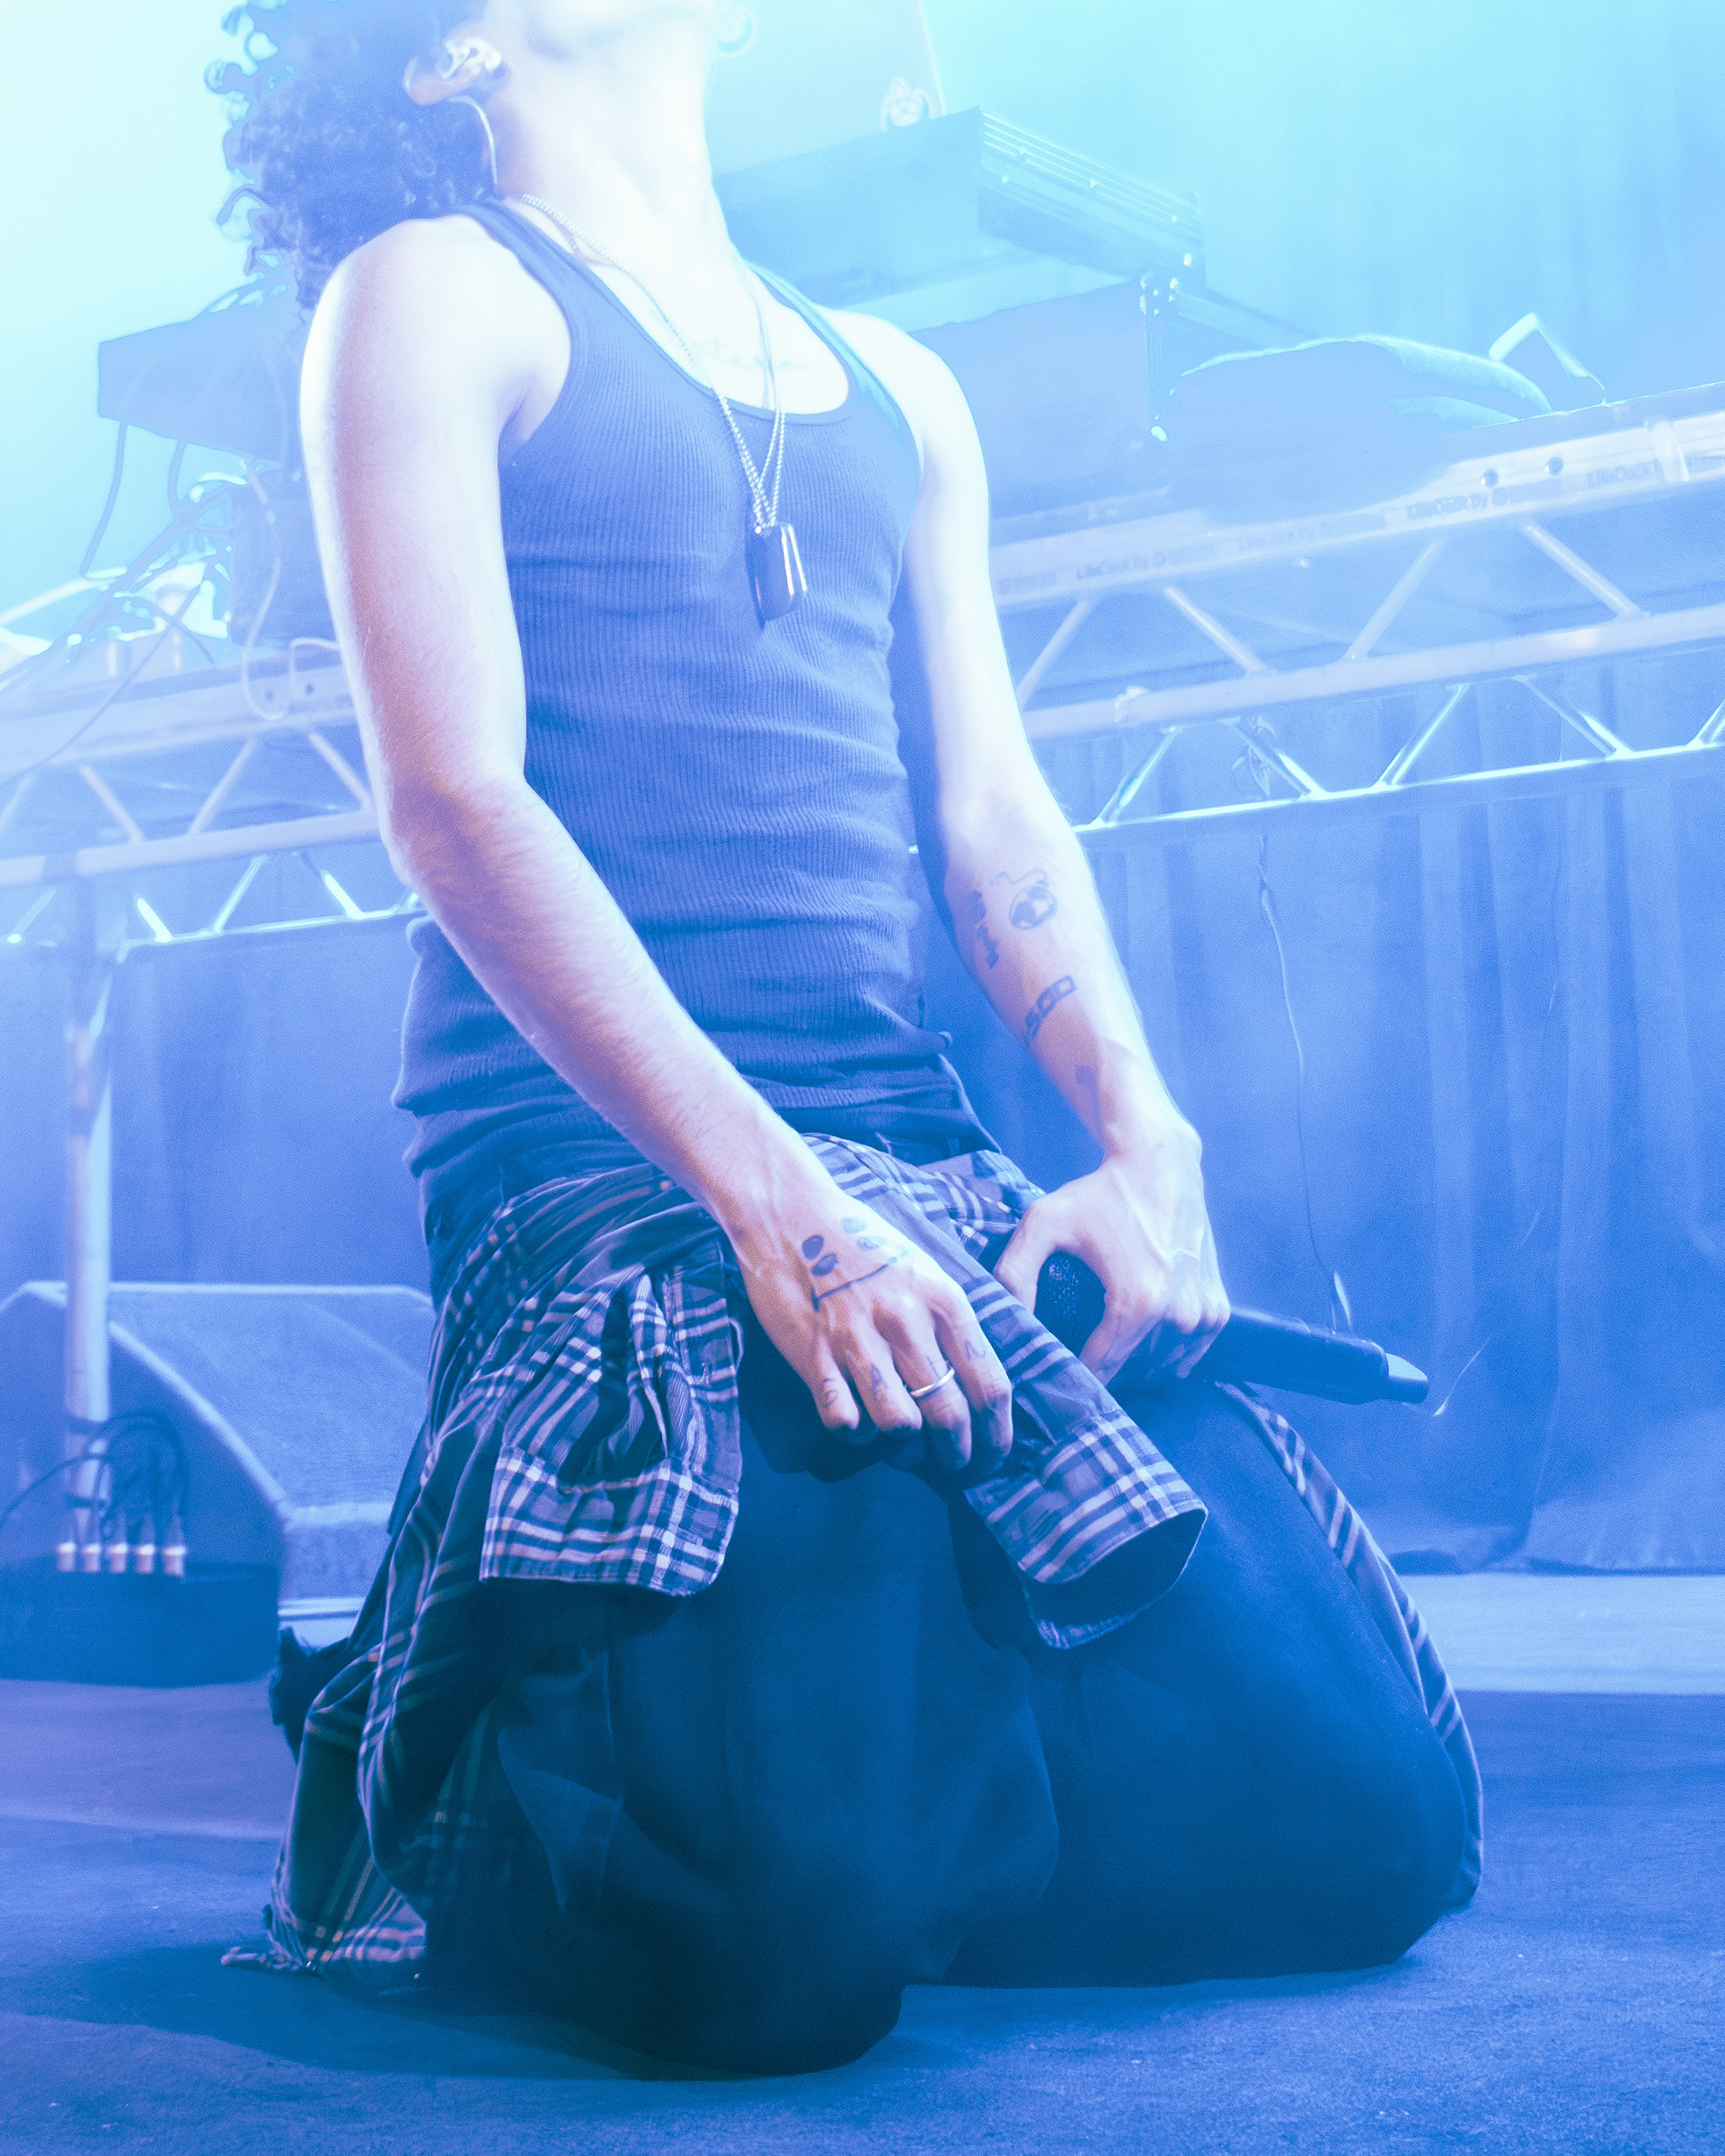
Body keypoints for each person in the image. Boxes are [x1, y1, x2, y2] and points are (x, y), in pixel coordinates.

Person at [219, 0, 1479, 2074]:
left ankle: (862, 1757)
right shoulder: (434, 294)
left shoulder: (900, 381)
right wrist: (779, 1208)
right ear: (453, 49)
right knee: (773, 1957)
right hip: (606, 1185)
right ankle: (463, 1734)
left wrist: (1146, 1137)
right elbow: (452, 797)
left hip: (909, 1163)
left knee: (1371, 1835)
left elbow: (993, 815)